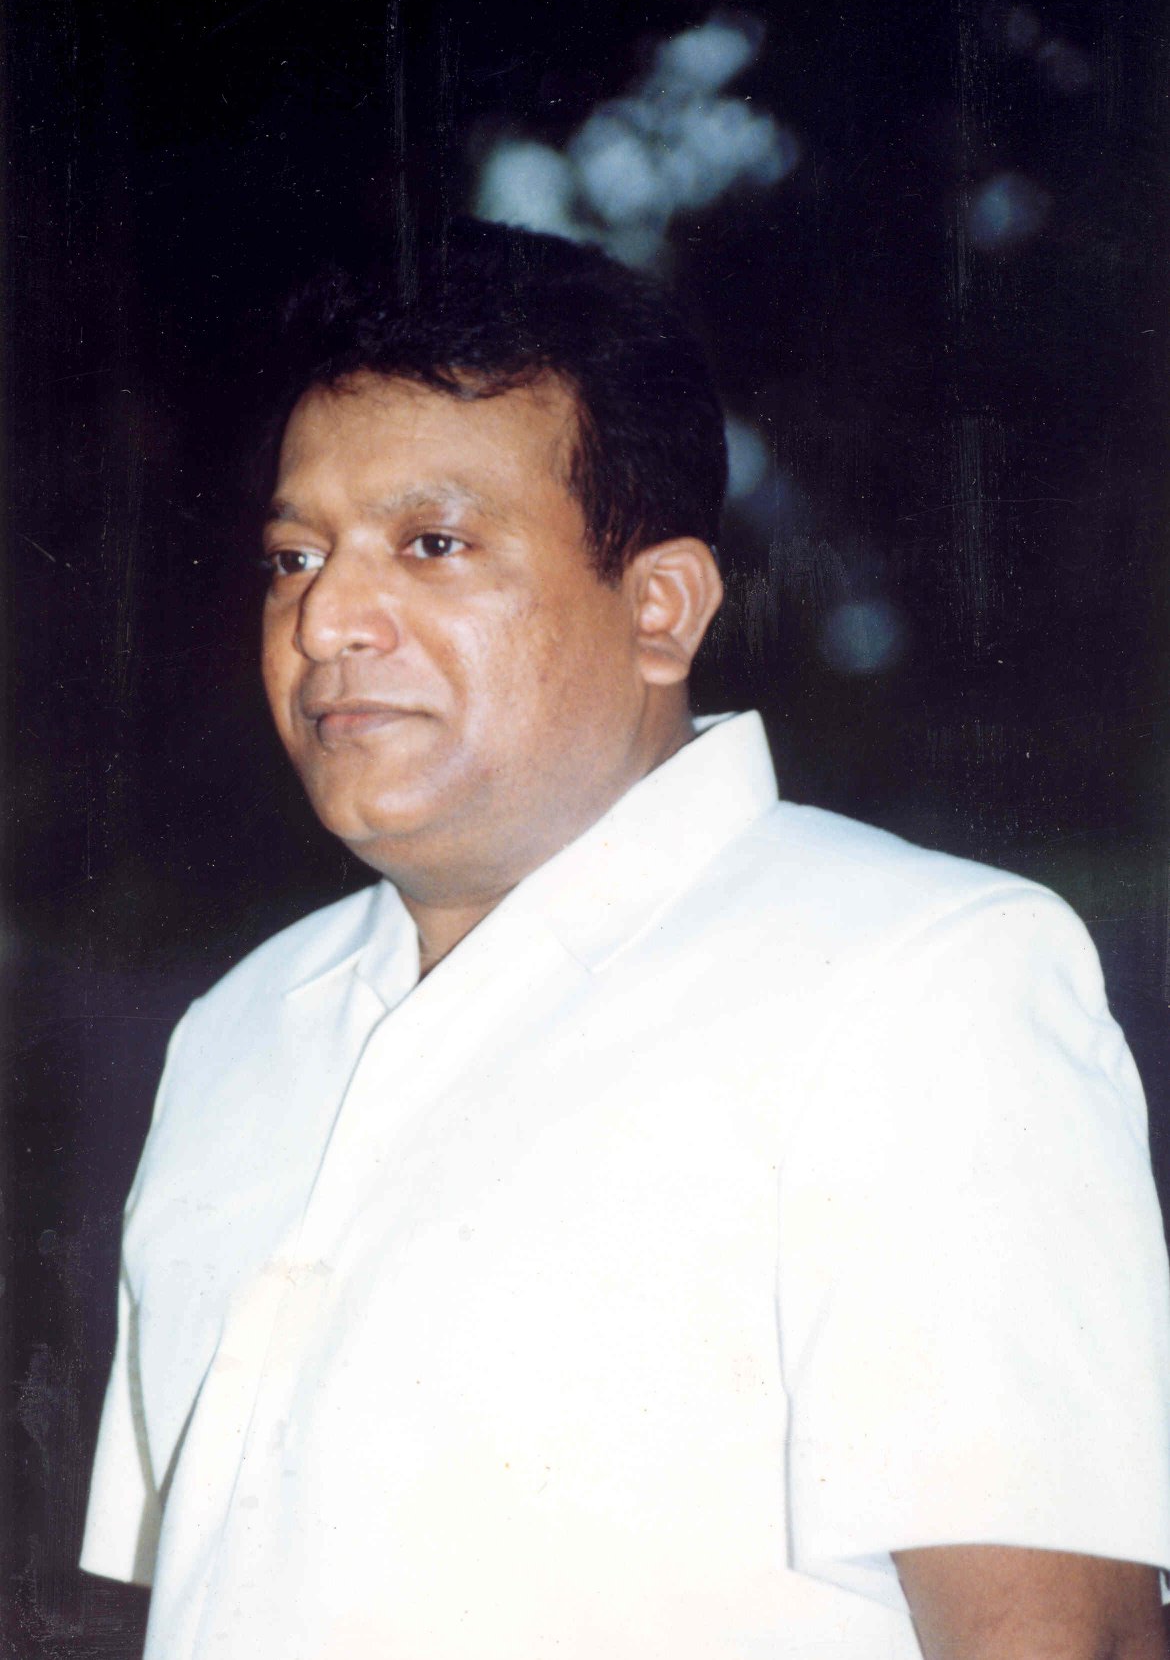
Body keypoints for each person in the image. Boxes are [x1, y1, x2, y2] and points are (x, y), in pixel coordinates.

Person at [81, 220, 1170, 1660]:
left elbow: (1059, 1638)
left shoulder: (914, 981)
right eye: (295, 554)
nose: (328, 616)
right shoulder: (233, 1031)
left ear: (660, 608)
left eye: (433, 544)